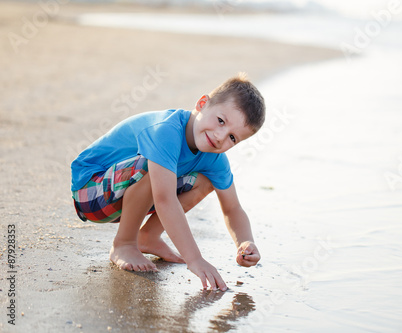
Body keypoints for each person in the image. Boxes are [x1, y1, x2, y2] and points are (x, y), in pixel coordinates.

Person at [70, 73, 265, 291]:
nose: (220, 137)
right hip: (90, 192)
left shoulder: (214, 156)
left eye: (232, 138)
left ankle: (148, 237)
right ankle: (124, 243)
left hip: (122, 197)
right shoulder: (166, 130)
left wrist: (246, 243)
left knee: (207, 180)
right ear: (202, 104)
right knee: (152, 166)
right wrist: (195, 259)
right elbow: (164, 199)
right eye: (220, 121)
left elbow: (233, 208)